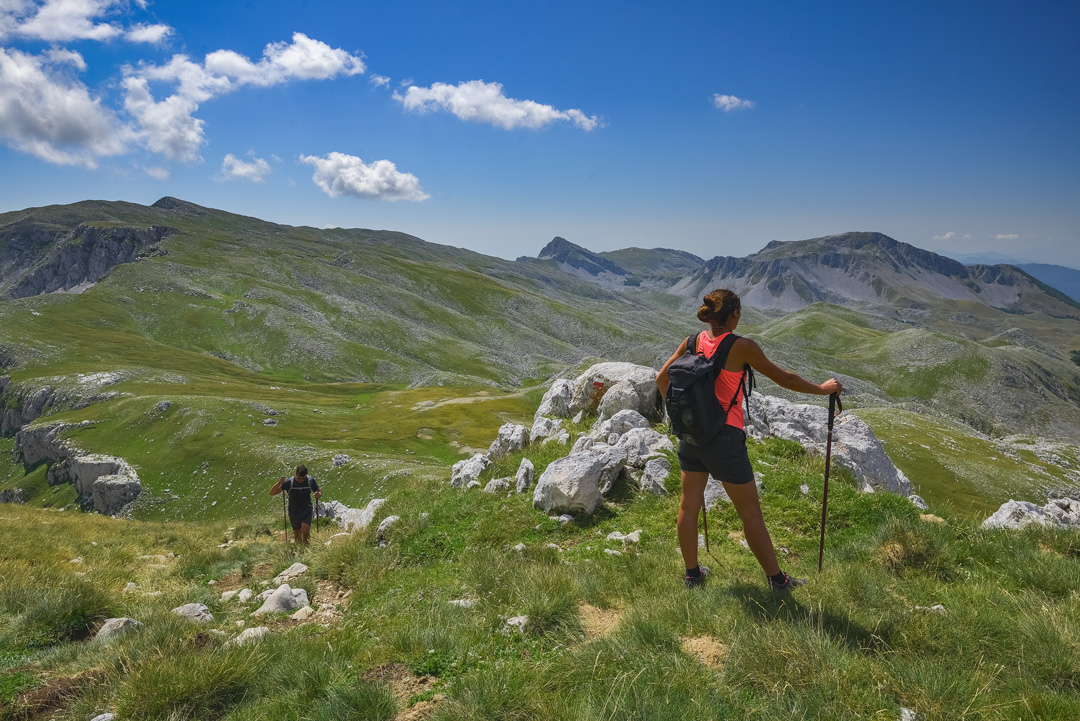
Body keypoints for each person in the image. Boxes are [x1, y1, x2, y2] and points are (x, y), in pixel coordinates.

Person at [656, 289, 842, 591]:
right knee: (750, 512)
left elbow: (661, 379)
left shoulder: (692, 342)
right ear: (735, 315)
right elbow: (785, 378)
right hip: (724, 438)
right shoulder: (740, 346)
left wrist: (681, 418)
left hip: (691, 437)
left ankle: (693, 575)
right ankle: (778, 580)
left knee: (688, 506)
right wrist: (823, 389)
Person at [270, 465, 322, 544]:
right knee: (297, 534)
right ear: (296, 474)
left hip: (307, 509)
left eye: (303, 478)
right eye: (299, 478)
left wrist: (318, 495)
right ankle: (299, 549)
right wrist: (279, 483)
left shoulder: (310, 481)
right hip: (293, 511)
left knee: (305, 530)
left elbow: (318, 490)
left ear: (306, 476)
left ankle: (306, 549)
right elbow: (272, 493)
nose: (301, 480)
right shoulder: (289, 482)